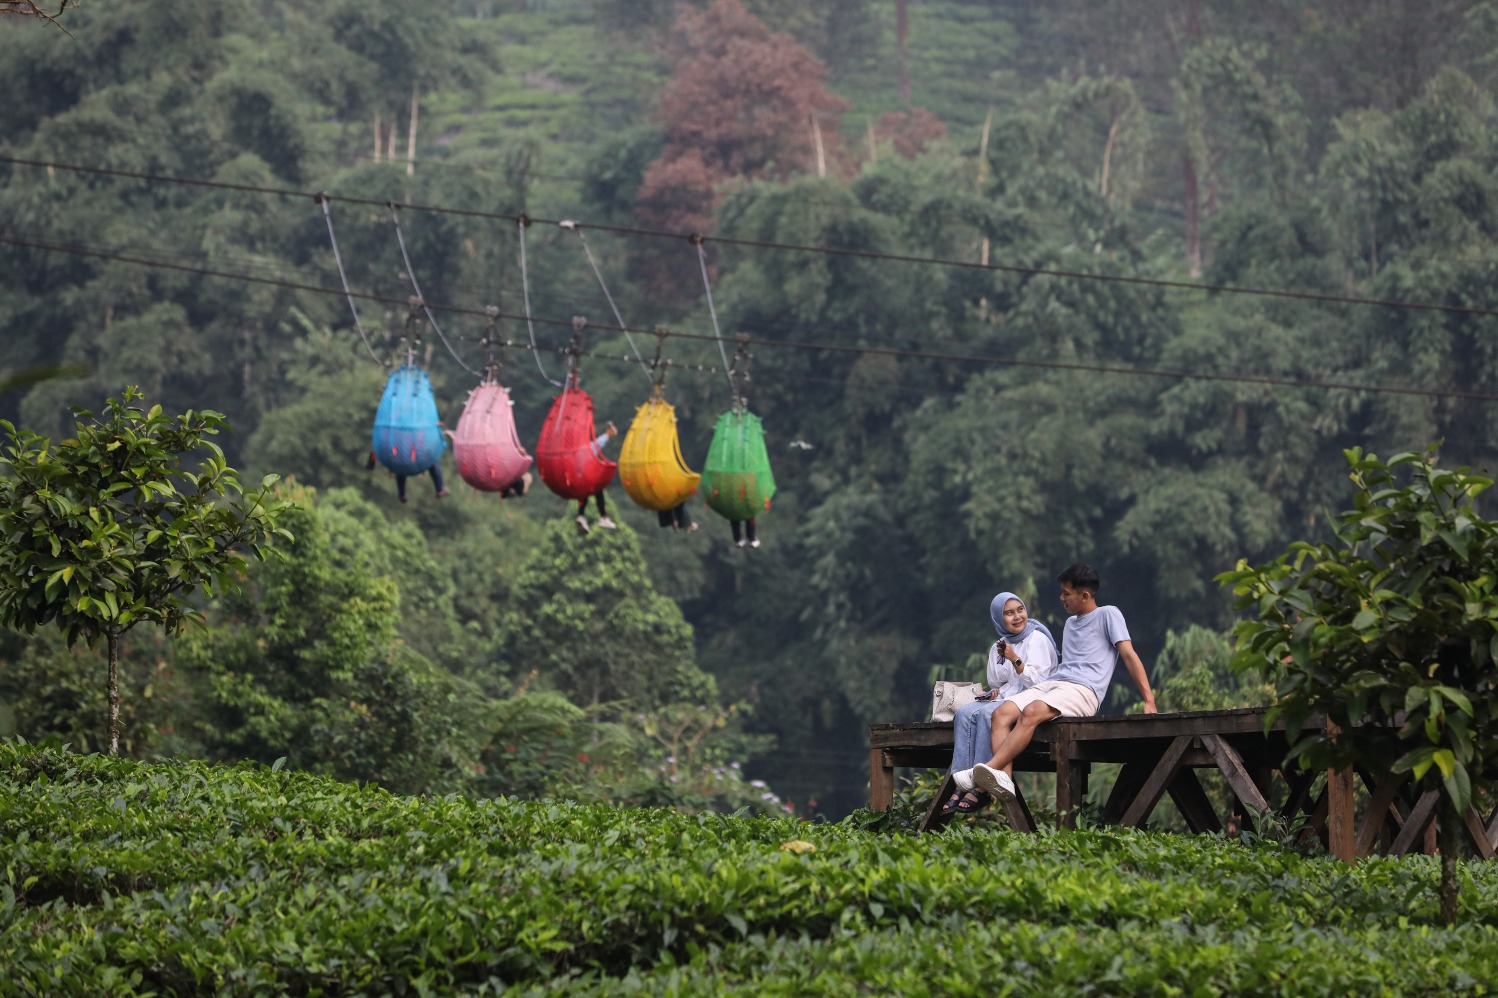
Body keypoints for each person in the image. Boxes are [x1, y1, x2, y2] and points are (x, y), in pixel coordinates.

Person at [952, 563, 1157, 806]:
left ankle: (983, 772)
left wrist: (1149, 699)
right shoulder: (1070, 624)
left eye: (1066, 594)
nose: (1061, 598)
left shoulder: (1108, 614)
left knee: (1031, 712)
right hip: (1057, 683)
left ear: (1085, 596)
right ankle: (1003, 779)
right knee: (1001, 713)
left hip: (1084, 690)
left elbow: (1129, 655)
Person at [940, 591, 1058, 816]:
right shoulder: (999, 645)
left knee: (986, 716)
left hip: (1034, 699)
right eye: (1009, 613)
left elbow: (1040, 681)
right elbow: (996, 680)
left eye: (1020, 610)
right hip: (1007, 697)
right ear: (998, 618)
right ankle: (962, 781)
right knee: (965, 713)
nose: (1017, 617)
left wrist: (1015, 659)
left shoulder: (1038, 639)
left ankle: (983, 786)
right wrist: (993, 693)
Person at [576, 421, 618, 534]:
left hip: (576, 477)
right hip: (584, 477)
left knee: (588, 492)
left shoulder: (574, 447)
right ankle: (603, 517)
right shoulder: (585, 448)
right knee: (597, 490)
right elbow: (596, 445)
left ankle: (581, 515)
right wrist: (608, 434)